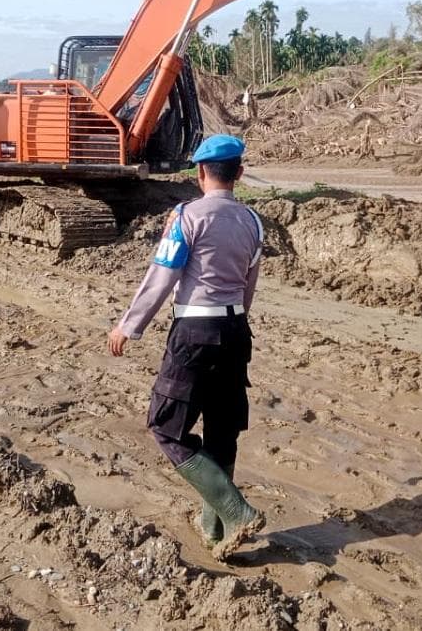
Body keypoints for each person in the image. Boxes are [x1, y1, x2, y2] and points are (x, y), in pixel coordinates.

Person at [107, 133, 266, 560]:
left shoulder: (186, 216)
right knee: (221, 429)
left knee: (165, 426)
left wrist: (129, 325)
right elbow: (249, 288)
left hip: (194, 332)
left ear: (199, 173)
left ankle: (235, 511)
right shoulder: (253, 221)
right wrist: (233, 320)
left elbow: (162, 276)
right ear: (240, 174)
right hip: (236, 331)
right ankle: (216, 534)